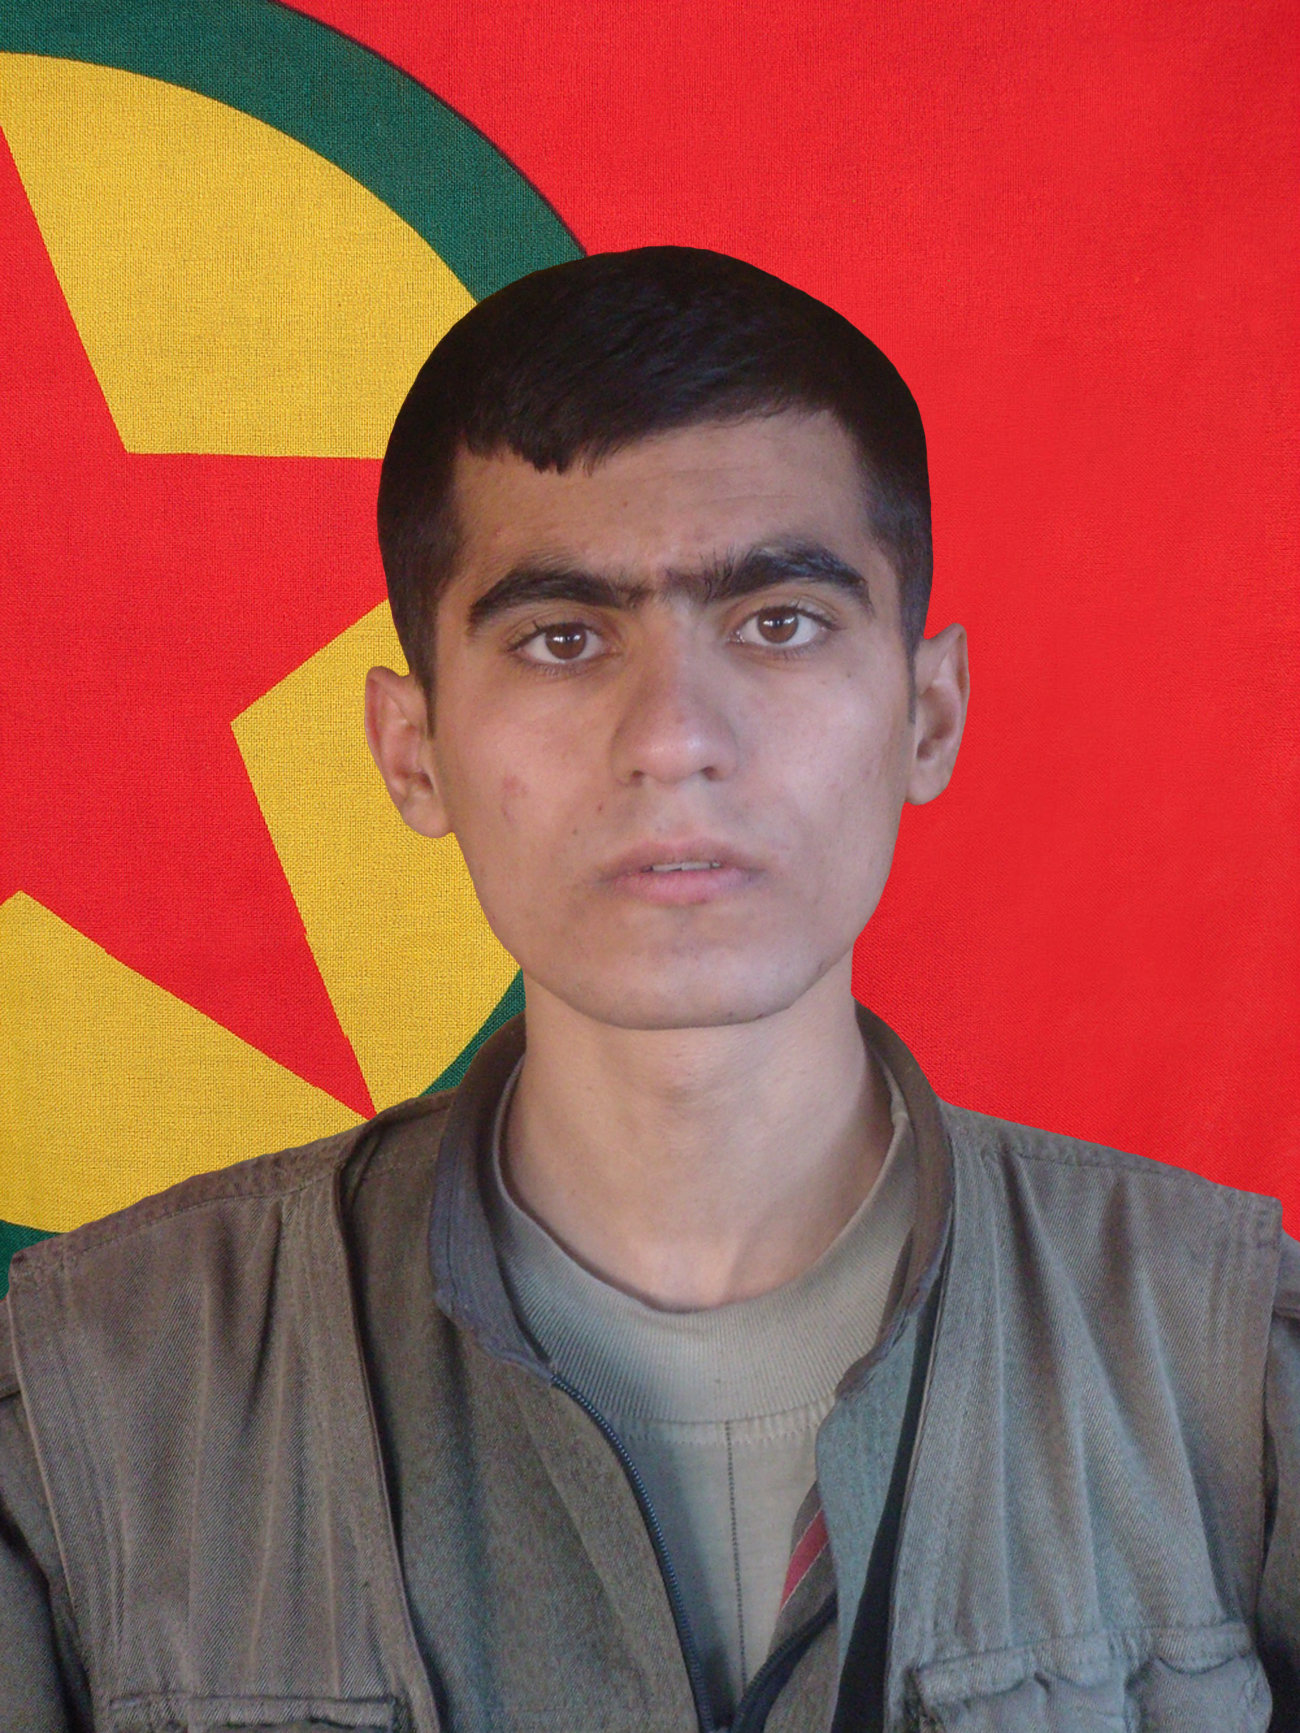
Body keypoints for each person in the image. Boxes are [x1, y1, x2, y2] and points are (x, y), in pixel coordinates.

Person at [1, 247, 1296, 1733]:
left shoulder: (1229, 1380)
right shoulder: (103, 1402)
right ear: (413, 751)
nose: (674, 737)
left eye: (780, 622)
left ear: (928, 715)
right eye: (563, 640)